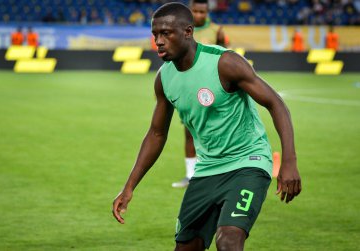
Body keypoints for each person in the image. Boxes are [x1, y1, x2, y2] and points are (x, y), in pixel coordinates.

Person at [112, 3, 302, 251]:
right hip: (207, 169)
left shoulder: (225, 62)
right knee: (186, 247)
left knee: (229, 240)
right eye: (155, 34)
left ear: (188, 32)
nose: (158, 41)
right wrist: (129, 187)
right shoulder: (164, 78)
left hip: (248, 162)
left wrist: (289, 161)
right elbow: (157, 133)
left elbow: (276, 104)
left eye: (166, 33)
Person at [172, 0, 229, 188]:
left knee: (218, 131)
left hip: (214, 90)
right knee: (189, 132)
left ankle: (220, 172)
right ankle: (190, 176)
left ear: (207, 11)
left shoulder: (217, 30)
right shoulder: (183, 29)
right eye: (195, 11)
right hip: (189, 89)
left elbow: (226, 55)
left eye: (202, 11)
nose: (198, 15)